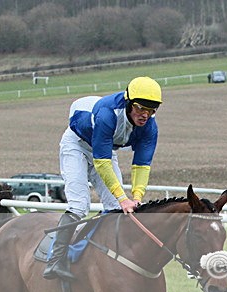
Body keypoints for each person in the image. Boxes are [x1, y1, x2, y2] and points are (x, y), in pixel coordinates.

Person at [44, 76, 162, 280]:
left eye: (152, 110)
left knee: (114, 208)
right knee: (79, 205)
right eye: (141, 108)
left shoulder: (150, 127)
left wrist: (136, 197)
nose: (145, 115)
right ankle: (55, 260)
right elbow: (101, 162)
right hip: (77, 144)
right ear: (129, 103)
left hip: (105, 149)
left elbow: (142, 165)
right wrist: (123, 197)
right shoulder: (108, 114)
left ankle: (102, 256)